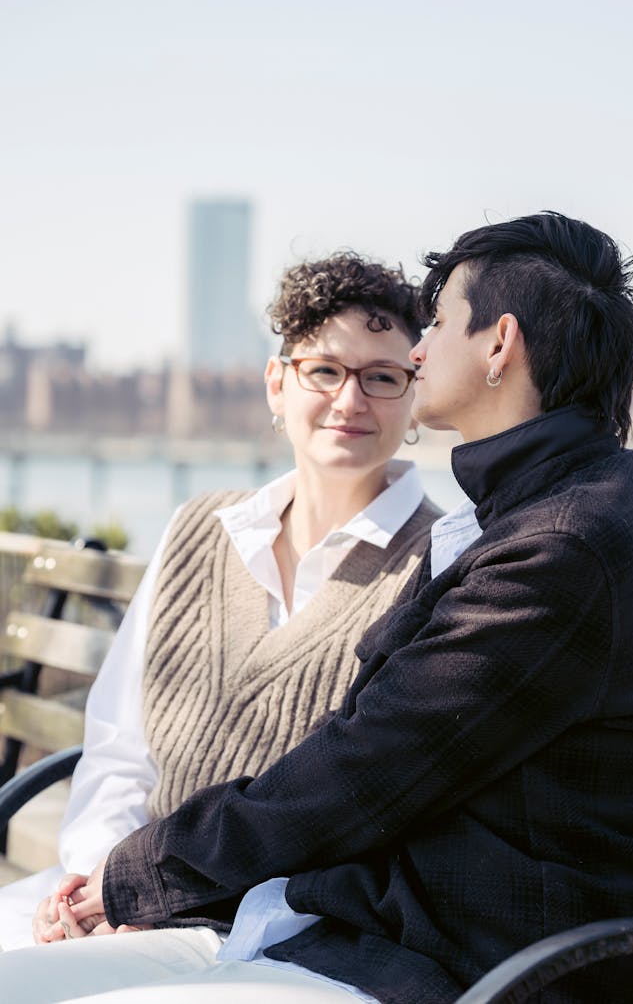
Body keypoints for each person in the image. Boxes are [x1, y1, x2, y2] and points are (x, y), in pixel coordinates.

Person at [2, 212, 633, 1004]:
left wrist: (140, 877)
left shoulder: (560, 545)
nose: (418, 349)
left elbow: (363, 763)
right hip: (366, 935)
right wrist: (132, 881)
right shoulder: (531, 514)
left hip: (474, 972)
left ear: (499, 344)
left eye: (438, 322)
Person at [0, 251, 442, 952]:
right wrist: (95, 880)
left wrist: (144, 899)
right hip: (118, 892)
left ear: (415, 394)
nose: (350, 400)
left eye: (383, 377)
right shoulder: (198, 528)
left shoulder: (437, 565)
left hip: (271, 933)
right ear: (278, 383)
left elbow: (371, 812)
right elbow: (121, 751)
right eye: (324, 370)